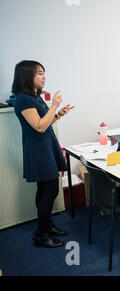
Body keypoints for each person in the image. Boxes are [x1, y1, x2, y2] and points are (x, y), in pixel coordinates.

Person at [12, 60, 75, 248]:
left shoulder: (34, 96)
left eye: (43, 73)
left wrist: (58, 114)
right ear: (27, 76)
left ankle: (46, 226)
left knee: (45, 189)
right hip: (39, 150)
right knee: (49, 190)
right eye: (39, 73)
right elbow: (39, 127)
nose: (43, 76)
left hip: (46, 145)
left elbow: (44, 121)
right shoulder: (23, 99)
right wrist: (54, 105)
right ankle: (41, 235)